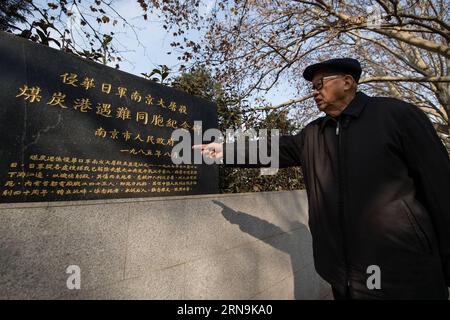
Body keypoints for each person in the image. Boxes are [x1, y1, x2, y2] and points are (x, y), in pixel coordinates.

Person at [193, 58, 450, 300]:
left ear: (347, 81)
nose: (314, 92)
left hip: (405, 274)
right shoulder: (313, 134)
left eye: (319, 84)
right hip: (344, 279)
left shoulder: (396, 116)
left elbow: (440, 188)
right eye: (312, 87)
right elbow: (272, 148)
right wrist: (224, 150)